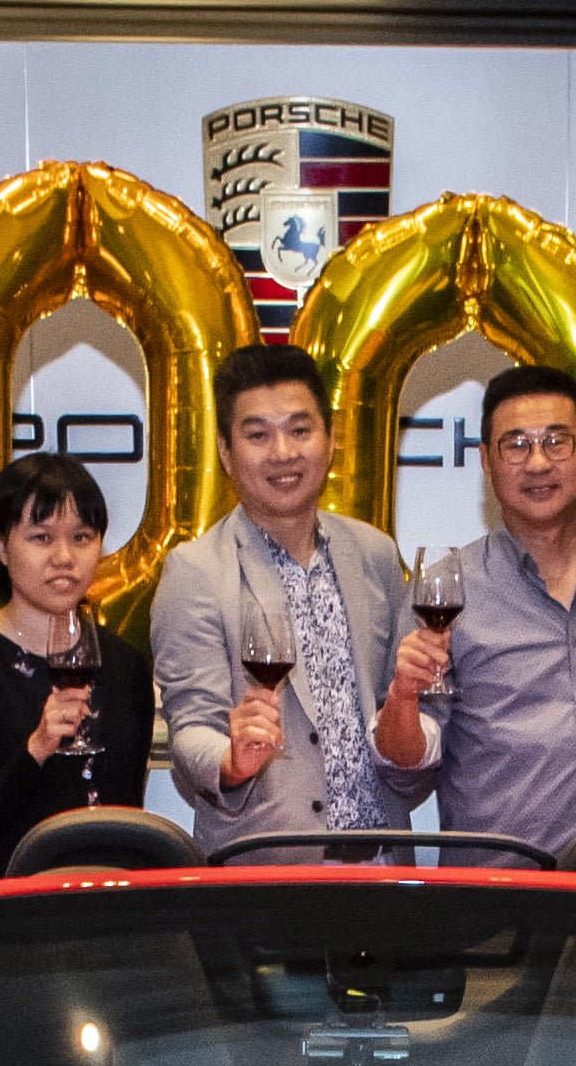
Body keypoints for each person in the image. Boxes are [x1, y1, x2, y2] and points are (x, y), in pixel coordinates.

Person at [379, 362, 576, 851]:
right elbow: (407, 773)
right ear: (485, 462)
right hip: (498, 893)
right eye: (515, 444)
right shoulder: (445, 590)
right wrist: (401, 697)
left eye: (557, 441)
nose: (538, 462)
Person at [151, 343, 416, 846]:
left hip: (383, 867)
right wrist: (230, 760)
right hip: (263, 871)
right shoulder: (196, 571)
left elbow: (389, 711)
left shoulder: (376, 555)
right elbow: (190, 729)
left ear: (331, 438)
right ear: (226, 453)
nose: (283, 453)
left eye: (300, 430)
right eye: (258, 435)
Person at [0, 449, 155, 882]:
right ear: (0, 544)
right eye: (41, 537)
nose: (64, 557)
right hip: (13, 917)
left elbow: (128, 812)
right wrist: (36, 749)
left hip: (113, 911)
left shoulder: (124, 664)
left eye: (81, 537)